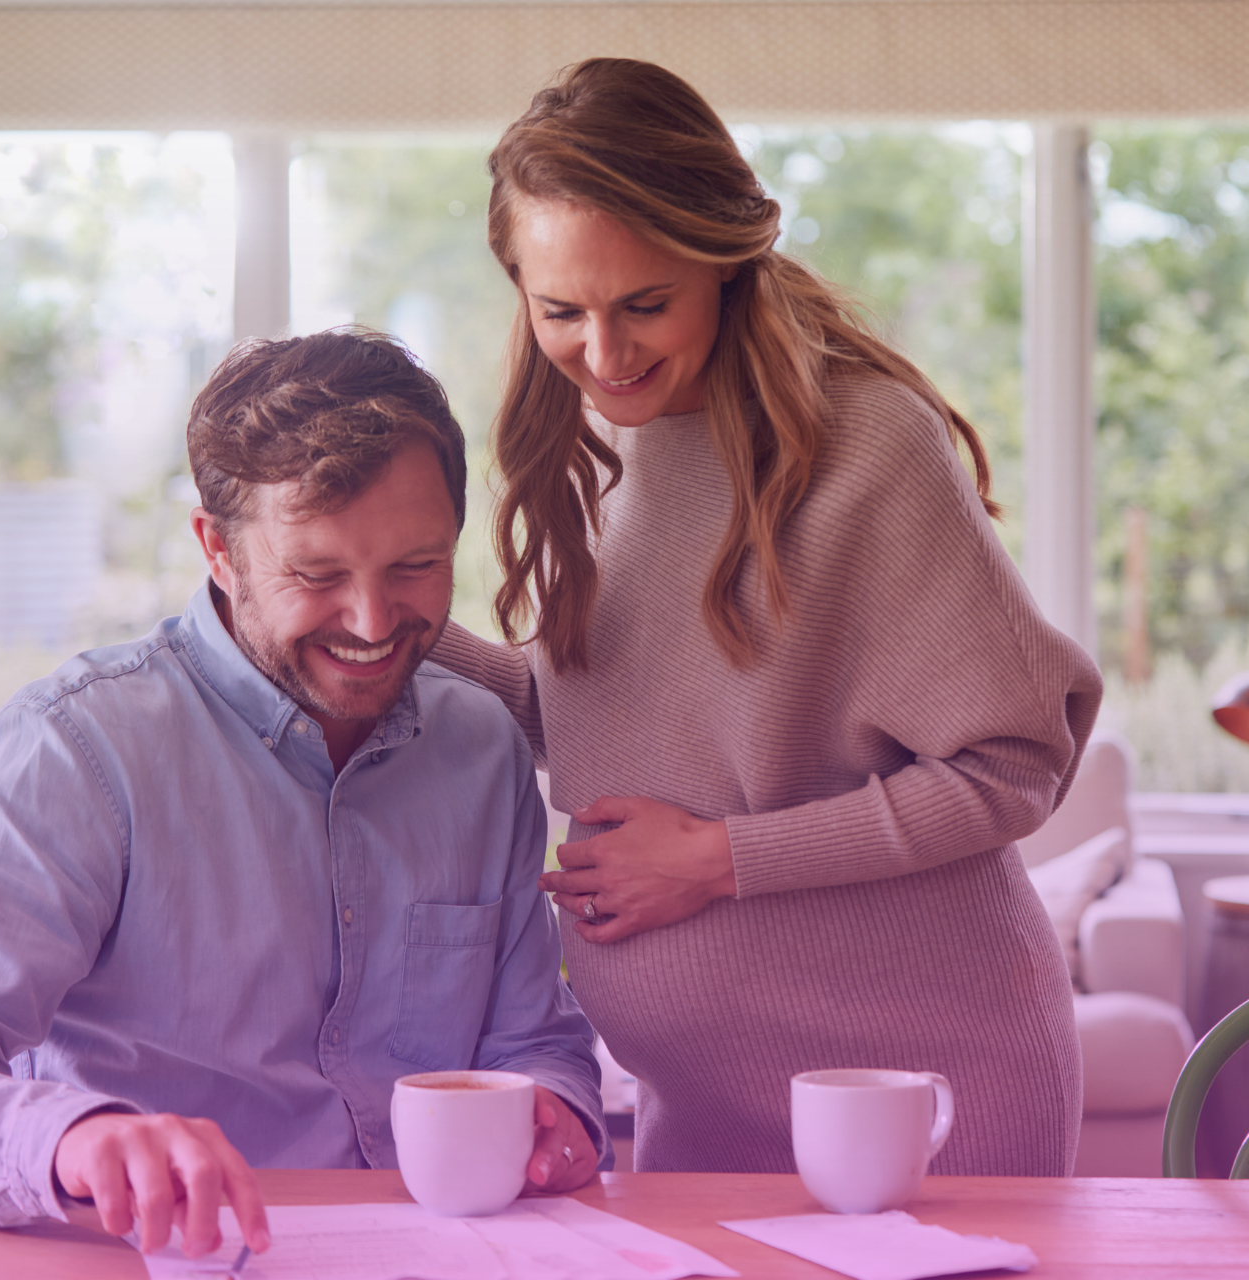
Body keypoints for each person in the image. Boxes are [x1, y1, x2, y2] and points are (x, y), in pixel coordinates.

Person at [426, 58, 1105, 1176]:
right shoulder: (591, 453)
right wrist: (400, 620)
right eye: (562, 311)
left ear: (727, 262)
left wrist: (719, 860)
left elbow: (1014, 763)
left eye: (646, 304)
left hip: (924, 1088)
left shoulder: (865, 445)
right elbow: (606, 727)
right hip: (696, 1100)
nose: (605, 354)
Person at [0, 329, 606, 1258]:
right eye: (316, 574)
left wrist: (558, 1109)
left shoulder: (483, 751)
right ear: (216, 550)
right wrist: (70, 1137)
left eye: (415, 567)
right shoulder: (72, 751)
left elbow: (532, 1044)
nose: (372, 621)